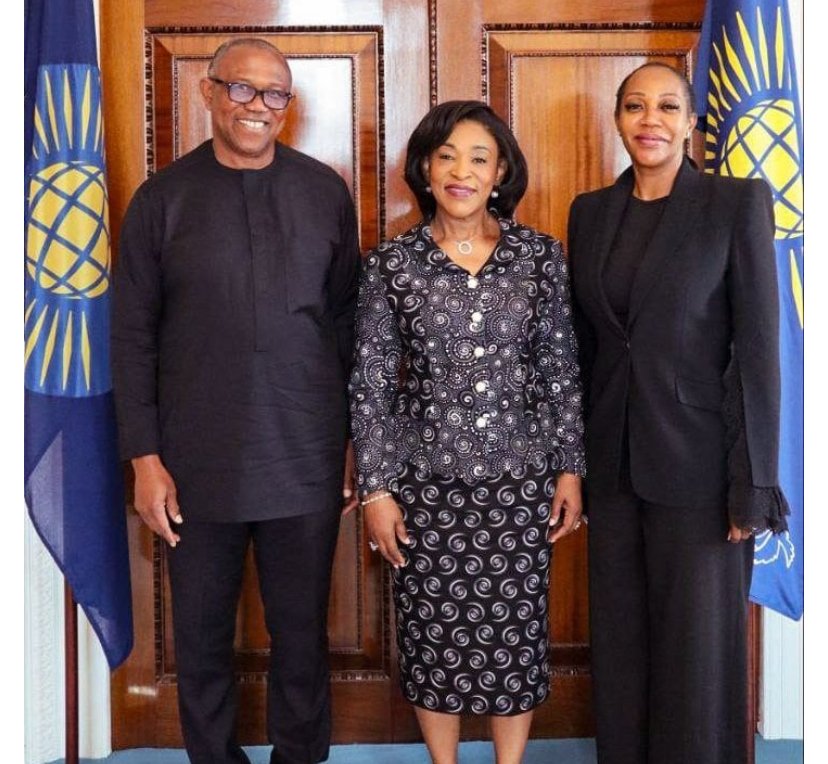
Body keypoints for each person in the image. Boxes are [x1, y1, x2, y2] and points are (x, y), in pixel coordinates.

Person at [111, 38, 361, 764]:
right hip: (194, 464)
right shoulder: (161, 200)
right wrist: (145, 460)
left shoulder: (324, 191)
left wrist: (354, 444)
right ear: (209, 92)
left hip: (305, 457)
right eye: (242, 89)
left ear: (288, 106)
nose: (258, 106)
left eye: (275, 93)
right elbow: (131, 337)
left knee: (301, 636)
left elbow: (349, 324)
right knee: (200, 639)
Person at [348, 100, 585, 764]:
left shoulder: (539, 257)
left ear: (501, 171)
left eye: (479, 158)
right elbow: (370, 383)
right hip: (425, 486)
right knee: (432, 639)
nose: (462, 172)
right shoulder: (391, 265)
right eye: (446, 156)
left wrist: (570, 468)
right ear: (425, 169)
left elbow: (560, 367)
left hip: (520, 482)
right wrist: (376, 491)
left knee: (516, 638)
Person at [567, 62, 790, 764]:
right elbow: (585, 348)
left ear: (690, 122)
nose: (650, 120)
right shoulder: (589, 213)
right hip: (612, 467)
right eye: (635, 106)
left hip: (702, 469)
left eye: (667, 106)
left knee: (696, 655)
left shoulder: (734, 203)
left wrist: (753, 481)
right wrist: (573, 464)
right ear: (618, 119)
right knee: (622, 646)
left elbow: (758, 350)